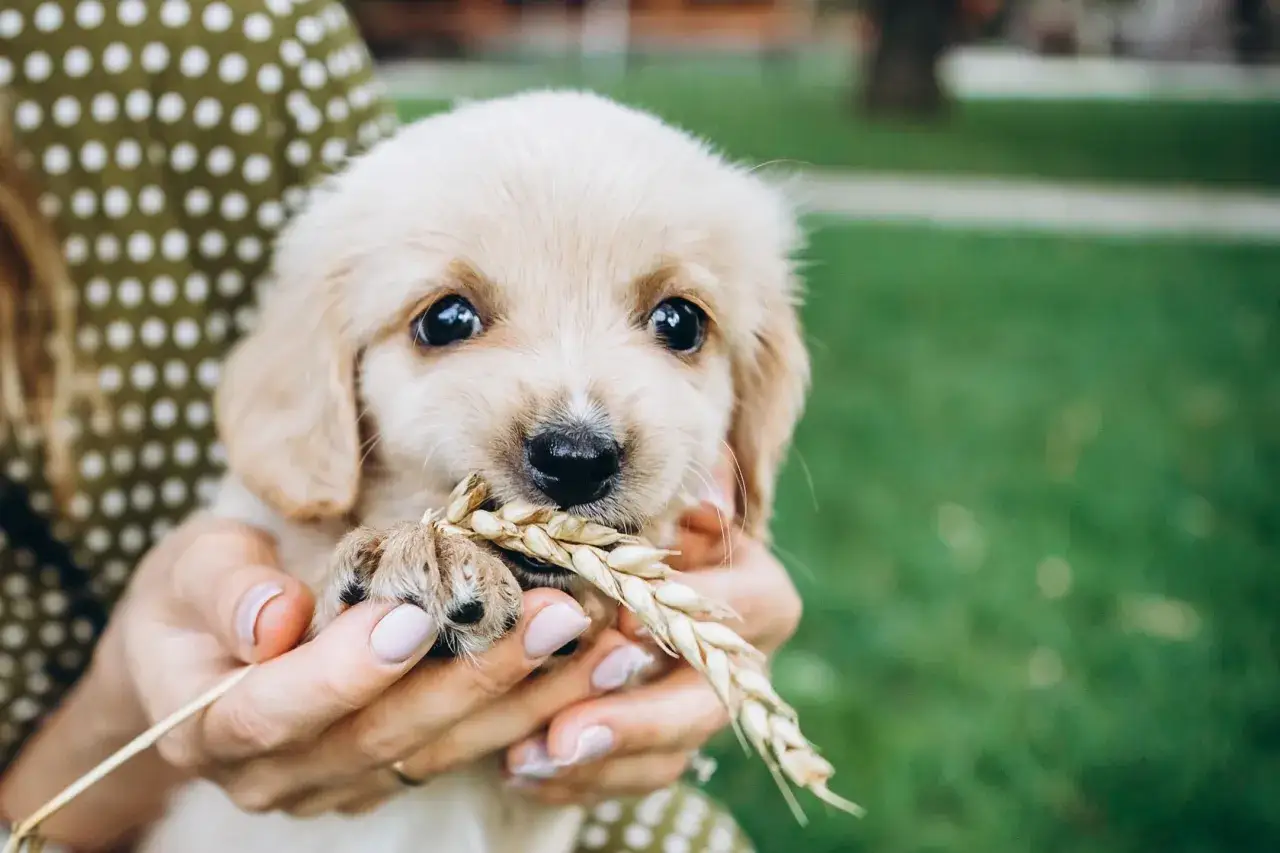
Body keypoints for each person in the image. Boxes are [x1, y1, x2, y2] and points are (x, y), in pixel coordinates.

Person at [0, 2, 804, 851]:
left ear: (760, 383)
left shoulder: (235, 44)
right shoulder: (269, 488)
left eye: (677, 324)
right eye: (450, 319)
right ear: (331, 367)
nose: (579, 434)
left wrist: (702, 622)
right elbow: (290, 513)